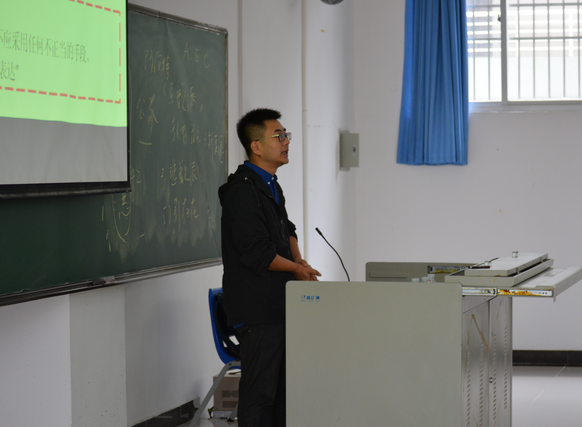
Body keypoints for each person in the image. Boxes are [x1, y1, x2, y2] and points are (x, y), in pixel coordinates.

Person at [219, 108, 321, 427]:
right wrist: (296, 270)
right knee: (260, 395)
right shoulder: (242, 191)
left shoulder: (270, 185)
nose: (286, 141)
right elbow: (257, 254)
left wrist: (298, 260)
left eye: (286, 135)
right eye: (279, 136)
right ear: (257, 147)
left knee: (282, 393)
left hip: (278, 304)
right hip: (257, 308)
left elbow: (286, 229)